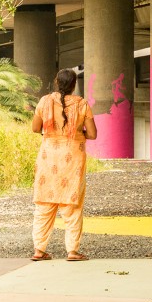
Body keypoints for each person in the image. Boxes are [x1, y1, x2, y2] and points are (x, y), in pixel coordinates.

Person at [29, 68, 97, 261]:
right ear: (74, 85)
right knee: (72, 205)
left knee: (44, 204)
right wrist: (76, 134)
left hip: (48, 157)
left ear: (56, 82)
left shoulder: (44, 101)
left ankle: (39, 251)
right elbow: (92, 134)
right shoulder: (82, 104)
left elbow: (35, 128)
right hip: (72, 159)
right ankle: (72, 251)